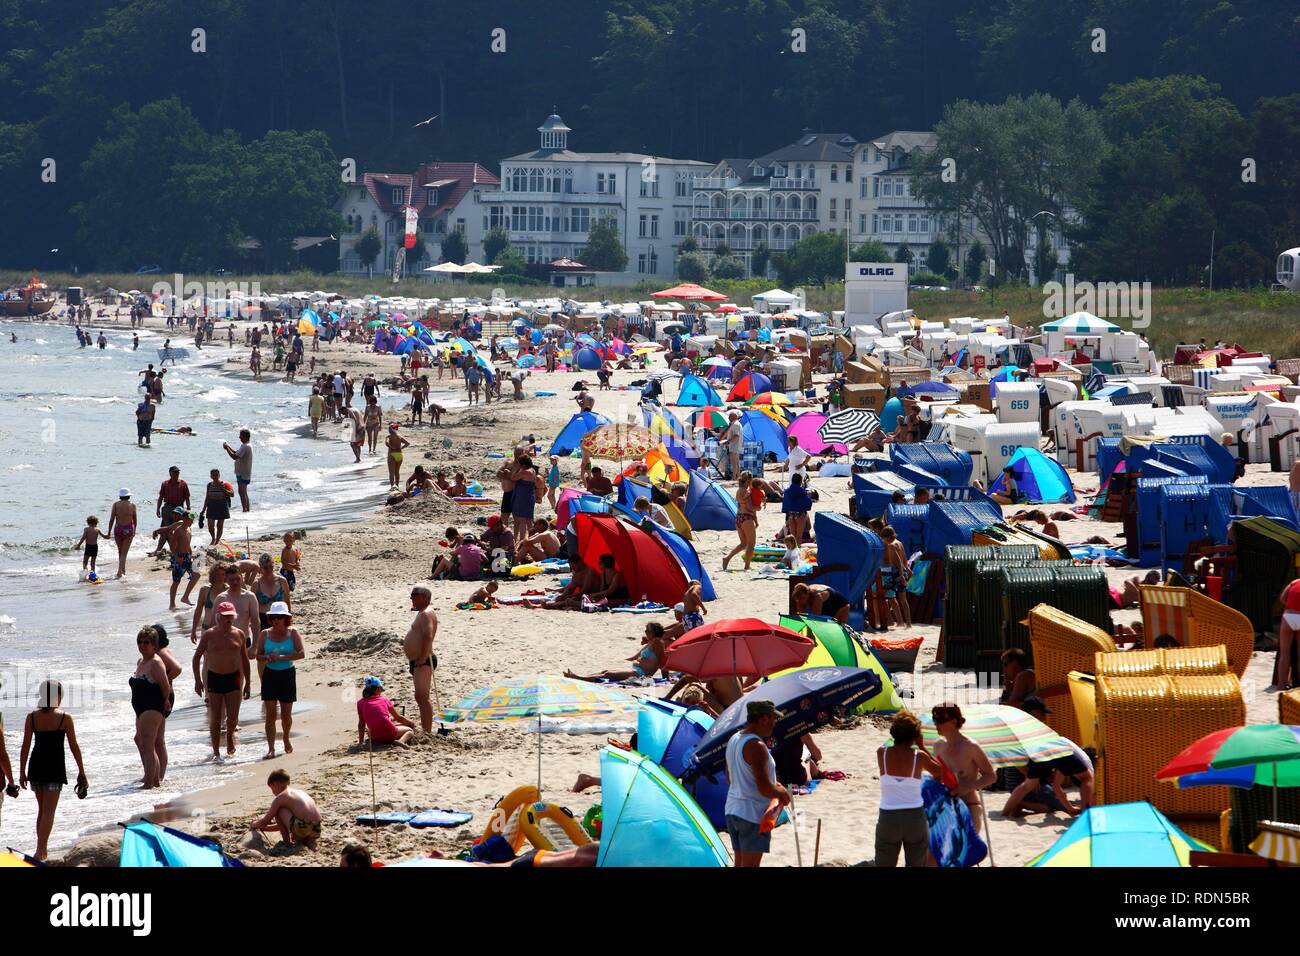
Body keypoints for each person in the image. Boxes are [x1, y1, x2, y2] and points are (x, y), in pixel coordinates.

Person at [19, 679, 87, 860]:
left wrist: (21, 772)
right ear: (58, 697)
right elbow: (74, 746)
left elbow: (25, 746)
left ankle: (42, 849)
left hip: (36, 767)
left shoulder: (32, 717)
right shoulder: (65, 718)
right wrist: (81, 770)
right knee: (49, 812)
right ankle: (40, 851)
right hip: (54, 768)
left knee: (42, 810)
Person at [723, 699, 789, 868]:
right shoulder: (756, 746)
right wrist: (782, 793)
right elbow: (765, 789)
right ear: (764, 719)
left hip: (733, 810)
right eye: (773, 719)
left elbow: (730, 778)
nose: (774, 724)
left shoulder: (734, 739)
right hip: (751, 814)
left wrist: (774, 784)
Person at [875, 712, 946, 868]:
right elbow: (940, 772)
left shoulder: (882, 753)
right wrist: (921, 746)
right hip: (914, 817)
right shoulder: (919, 757)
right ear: (915, 735)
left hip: (888, 817)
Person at [1004, 696, 1095, 817]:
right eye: (1043, 714)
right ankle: (1085, 814)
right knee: (1086, 778)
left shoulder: (1019, 728)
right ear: (1035, 713)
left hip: (1036, 761)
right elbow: (1015, 760)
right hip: (1047, 753)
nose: (1045, 718)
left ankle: (1006, 812)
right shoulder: (1034, 730)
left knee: (1028, 785)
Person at [930, 703, 996, 833]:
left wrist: (969, 786)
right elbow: (937, 776)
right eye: (935, 720)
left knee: (967, 851)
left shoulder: (971, 747)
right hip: (945, 807)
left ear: (954, 721)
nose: (936, 724)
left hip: (969, 805)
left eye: (940, 721)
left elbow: (991, 776)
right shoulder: (938, 746)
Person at [194, 601, 247, 760]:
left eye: (230, 616)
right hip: (215, 677)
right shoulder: (209, 634)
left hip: (234, 677)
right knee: (216, 718)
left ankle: (230, 736)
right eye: (225, 617)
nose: (228, 619)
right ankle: (216, 751)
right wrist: (198, 681)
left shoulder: (239, 634)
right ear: (218, 617)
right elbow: (196, 658)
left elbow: (244, 660)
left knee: (233, 717)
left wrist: (249, 683)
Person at [252, 603, 304, 759]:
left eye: (279, 617)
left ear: (286, 618)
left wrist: (282, 657)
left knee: (286, 714)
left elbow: (301, 653)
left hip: (287, 674)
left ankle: (286, 738)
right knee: (270, 715)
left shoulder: (292, 633)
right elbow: (258, 655)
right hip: (270, 675)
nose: (276, 620)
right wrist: (266, 657)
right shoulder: (265, 634)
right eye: (273, 617)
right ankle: (271, 747)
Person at [131, 626, 172, 789]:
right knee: (141, 741)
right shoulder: (141, 661)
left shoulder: (155, 662)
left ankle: (150, 783)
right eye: (139, 642)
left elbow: (165, 685)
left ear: (154, 645)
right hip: (140, 708)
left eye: (146, 642)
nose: (142, 645)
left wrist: (165, 701)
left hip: (153, 707)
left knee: (149, 745)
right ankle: (154, 781)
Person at [565, 623, 668, 683]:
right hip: (637, 670)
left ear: (653, 633)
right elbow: (639, 658)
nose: (645, 633)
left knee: (608, 674)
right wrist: (638, 661)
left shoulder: (657, 642)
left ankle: (578, 678)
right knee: (606, 671)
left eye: (647, 631)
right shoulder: (652, 642)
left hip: (641, 674)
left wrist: (665, 678)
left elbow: (662, 661)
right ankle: (581, 677)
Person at [215, 563, 259, 698]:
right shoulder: (222, 598)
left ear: (241, 578)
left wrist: (254, 646)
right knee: (224, 673)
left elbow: (256, 622)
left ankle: (235, 704)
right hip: (223, 641)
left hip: (243, 640)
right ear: (226, 580)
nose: (235, 582)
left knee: (239, 674)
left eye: (237, 579)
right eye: (232, 580)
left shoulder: (250, 597)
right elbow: (213, 623)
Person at [250, 769, 321, 850]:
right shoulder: (300, 792)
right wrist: (265, 829)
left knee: (278, 810)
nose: (273, 792)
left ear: (277, 784)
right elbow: (282, 824)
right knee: (304, 830)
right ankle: (310, 841)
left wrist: (254, 824)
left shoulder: (281, 797)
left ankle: (287, 842)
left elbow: (264, 821)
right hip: (316, 828)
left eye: (272, 789)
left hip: (303, 828)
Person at [405, 586, 438, 733]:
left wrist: (422, 657)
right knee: (420, 697)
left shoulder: (426, 613)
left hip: (424, 660)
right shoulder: (421, 613)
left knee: (422, 697)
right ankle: (426, 730)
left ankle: (427, 731)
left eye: (414, 595)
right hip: (419, 660)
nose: (411, 598)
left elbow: (428, 635)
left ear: (424, 597)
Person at [152, 511, 200, 609]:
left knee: (196, 575)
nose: (192, 521)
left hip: (187, 557)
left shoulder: (189, 529)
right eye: (191, 519)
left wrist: (191, 554)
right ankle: (172, 604)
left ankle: (185, 597)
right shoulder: (179, 530)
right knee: (176, 581)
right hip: (179, 557)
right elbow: (172, 545)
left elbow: (187, 543)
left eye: (192, 520)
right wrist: (177, 557)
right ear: (185, 519)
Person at [357, 676, 416, 748]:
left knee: (373, 729)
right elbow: (398, 718)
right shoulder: (384, 699)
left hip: (374, 737)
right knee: (409, 731)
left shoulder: (360, 702)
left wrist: (361, 742)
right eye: (381, 690)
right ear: (378, 688)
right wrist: (411, 724)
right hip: (390, 734)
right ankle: (401, 741)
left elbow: (361, 724)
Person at [722, 471, 763, 571]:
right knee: (751, 543)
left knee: (743, 544)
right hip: (746, 518)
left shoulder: (739, 490)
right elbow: (750, 507)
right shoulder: (746, 491)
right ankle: (747, 566)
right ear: (748, 480)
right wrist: (758, 508)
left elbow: (741, 505)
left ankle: (727, 558)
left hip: (739, 518)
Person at [152, 466, 191, 556]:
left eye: (178, 473)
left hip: (179, 509)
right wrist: (157, 509)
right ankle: (161, 549)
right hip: (167, 508)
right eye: (174, 473)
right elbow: (161, 497)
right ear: (170, 473)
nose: (176, 474)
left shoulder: (183, 483)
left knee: (177, 529)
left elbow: (187, 497)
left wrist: (188, 508)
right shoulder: (165, 484)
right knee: (166, 529)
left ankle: (172, 549)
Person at [880, 526, 912, 627]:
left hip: (895, 573)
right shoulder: (899, 543)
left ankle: (898, 622)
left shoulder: (891, 545)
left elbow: (898, 560)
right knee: (903, 600)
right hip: (902, 571)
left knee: (885, 596)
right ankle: (909, 624)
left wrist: (901, 575)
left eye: (883, 538)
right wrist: (907, 569)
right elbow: (904, 557)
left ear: (888, 537)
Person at [105, 487, 138, 579]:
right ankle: (120, 571)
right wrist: (134, 530)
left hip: (118, 528)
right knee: (124, 553)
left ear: (120, 496)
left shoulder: (115, 505)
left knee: (120, 551)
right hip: (128, 529)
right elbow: (135, 520)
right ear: (128, 496)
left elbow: (112, 519)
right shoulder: (132, 505)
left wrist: (108, 532)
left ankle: (123, 570)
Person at [1275, 577, 1300, 690]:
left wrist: (1291, 607)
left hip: (1289, 616)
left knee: (1285, 654)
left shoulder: (1294, 582)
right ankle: (1298, 685)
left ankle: (1281, 685)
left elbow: (1282, 599)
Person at [223, 428, 253, 512]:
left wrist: (226, 449)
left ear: (245, 436)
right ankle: (247, 509)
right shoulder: (246, 445)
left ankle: (245, 510)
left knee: (242, 492)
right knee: (244, 492)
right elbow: (236, 452)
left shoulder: (246, 446)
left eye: (241, 436)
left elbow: (234, 456)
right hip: (244, 472)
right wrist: (228, 446)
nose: (239, 437)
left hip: (242, 473)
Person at [200, 468, 232, 545]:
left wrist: (223, 489)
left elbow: (232, 494)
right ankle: (213, 538)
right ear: (211, 476)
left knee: (219, 525)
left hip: (222, 505)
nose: (215, 476)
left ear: (219, 475)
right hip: (211, 505)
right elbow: (207, 497)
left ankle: (217, 540)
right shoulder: (209, 485)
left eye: (216, 475)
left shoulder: (225, 484)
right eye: (213, 475)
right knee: (210, 525)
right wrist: (203, 510)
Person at [511, 456, 538, 544]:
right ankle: (530, 540)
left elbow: (513, 477)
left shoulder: (525, 472)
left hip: (523, 498)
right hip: (528, 497)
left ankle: (522, 542)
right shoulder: (532, 470)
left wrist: (517, 468)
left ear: (523, 464)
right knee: (529, 520)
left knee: (522, 520)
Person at [781, 471, 813, 544]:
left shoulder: (787, 491)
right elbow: (807, 503)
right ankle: (797, 552)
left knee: (793, 536)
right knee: (799, 536)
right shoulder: (802, 491)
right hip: (800, 514)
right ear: (800, 481)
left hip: (791, 514)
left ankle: (792, 551)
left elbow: (785, 504)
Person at [385, 423, 409, 489]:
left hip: (392, 454)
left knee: (391, 472)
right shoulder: (400, 436)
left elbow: (386, 443)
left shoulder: (388, 437)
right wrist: (401, 448)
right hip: (400, 455)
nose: (388, 429)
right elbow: (407, 443)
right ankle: (397, 485)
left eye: (389, 428)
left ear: (392, 429)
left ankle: (392, 486)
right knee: (397, 472)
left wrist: (391, 447)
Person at [723, 411, 744, 479]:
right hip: (736, 445)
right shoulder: (737, 424)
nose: (728, 418)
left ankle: (734, 477)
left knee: (734, 462)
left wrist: (728, 441)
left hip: (734, 445)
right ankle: (738, 477)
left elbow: (736, 435)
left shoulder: (735, 424)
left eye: (729, 417)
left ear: (732, 417)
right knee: (736, 462)